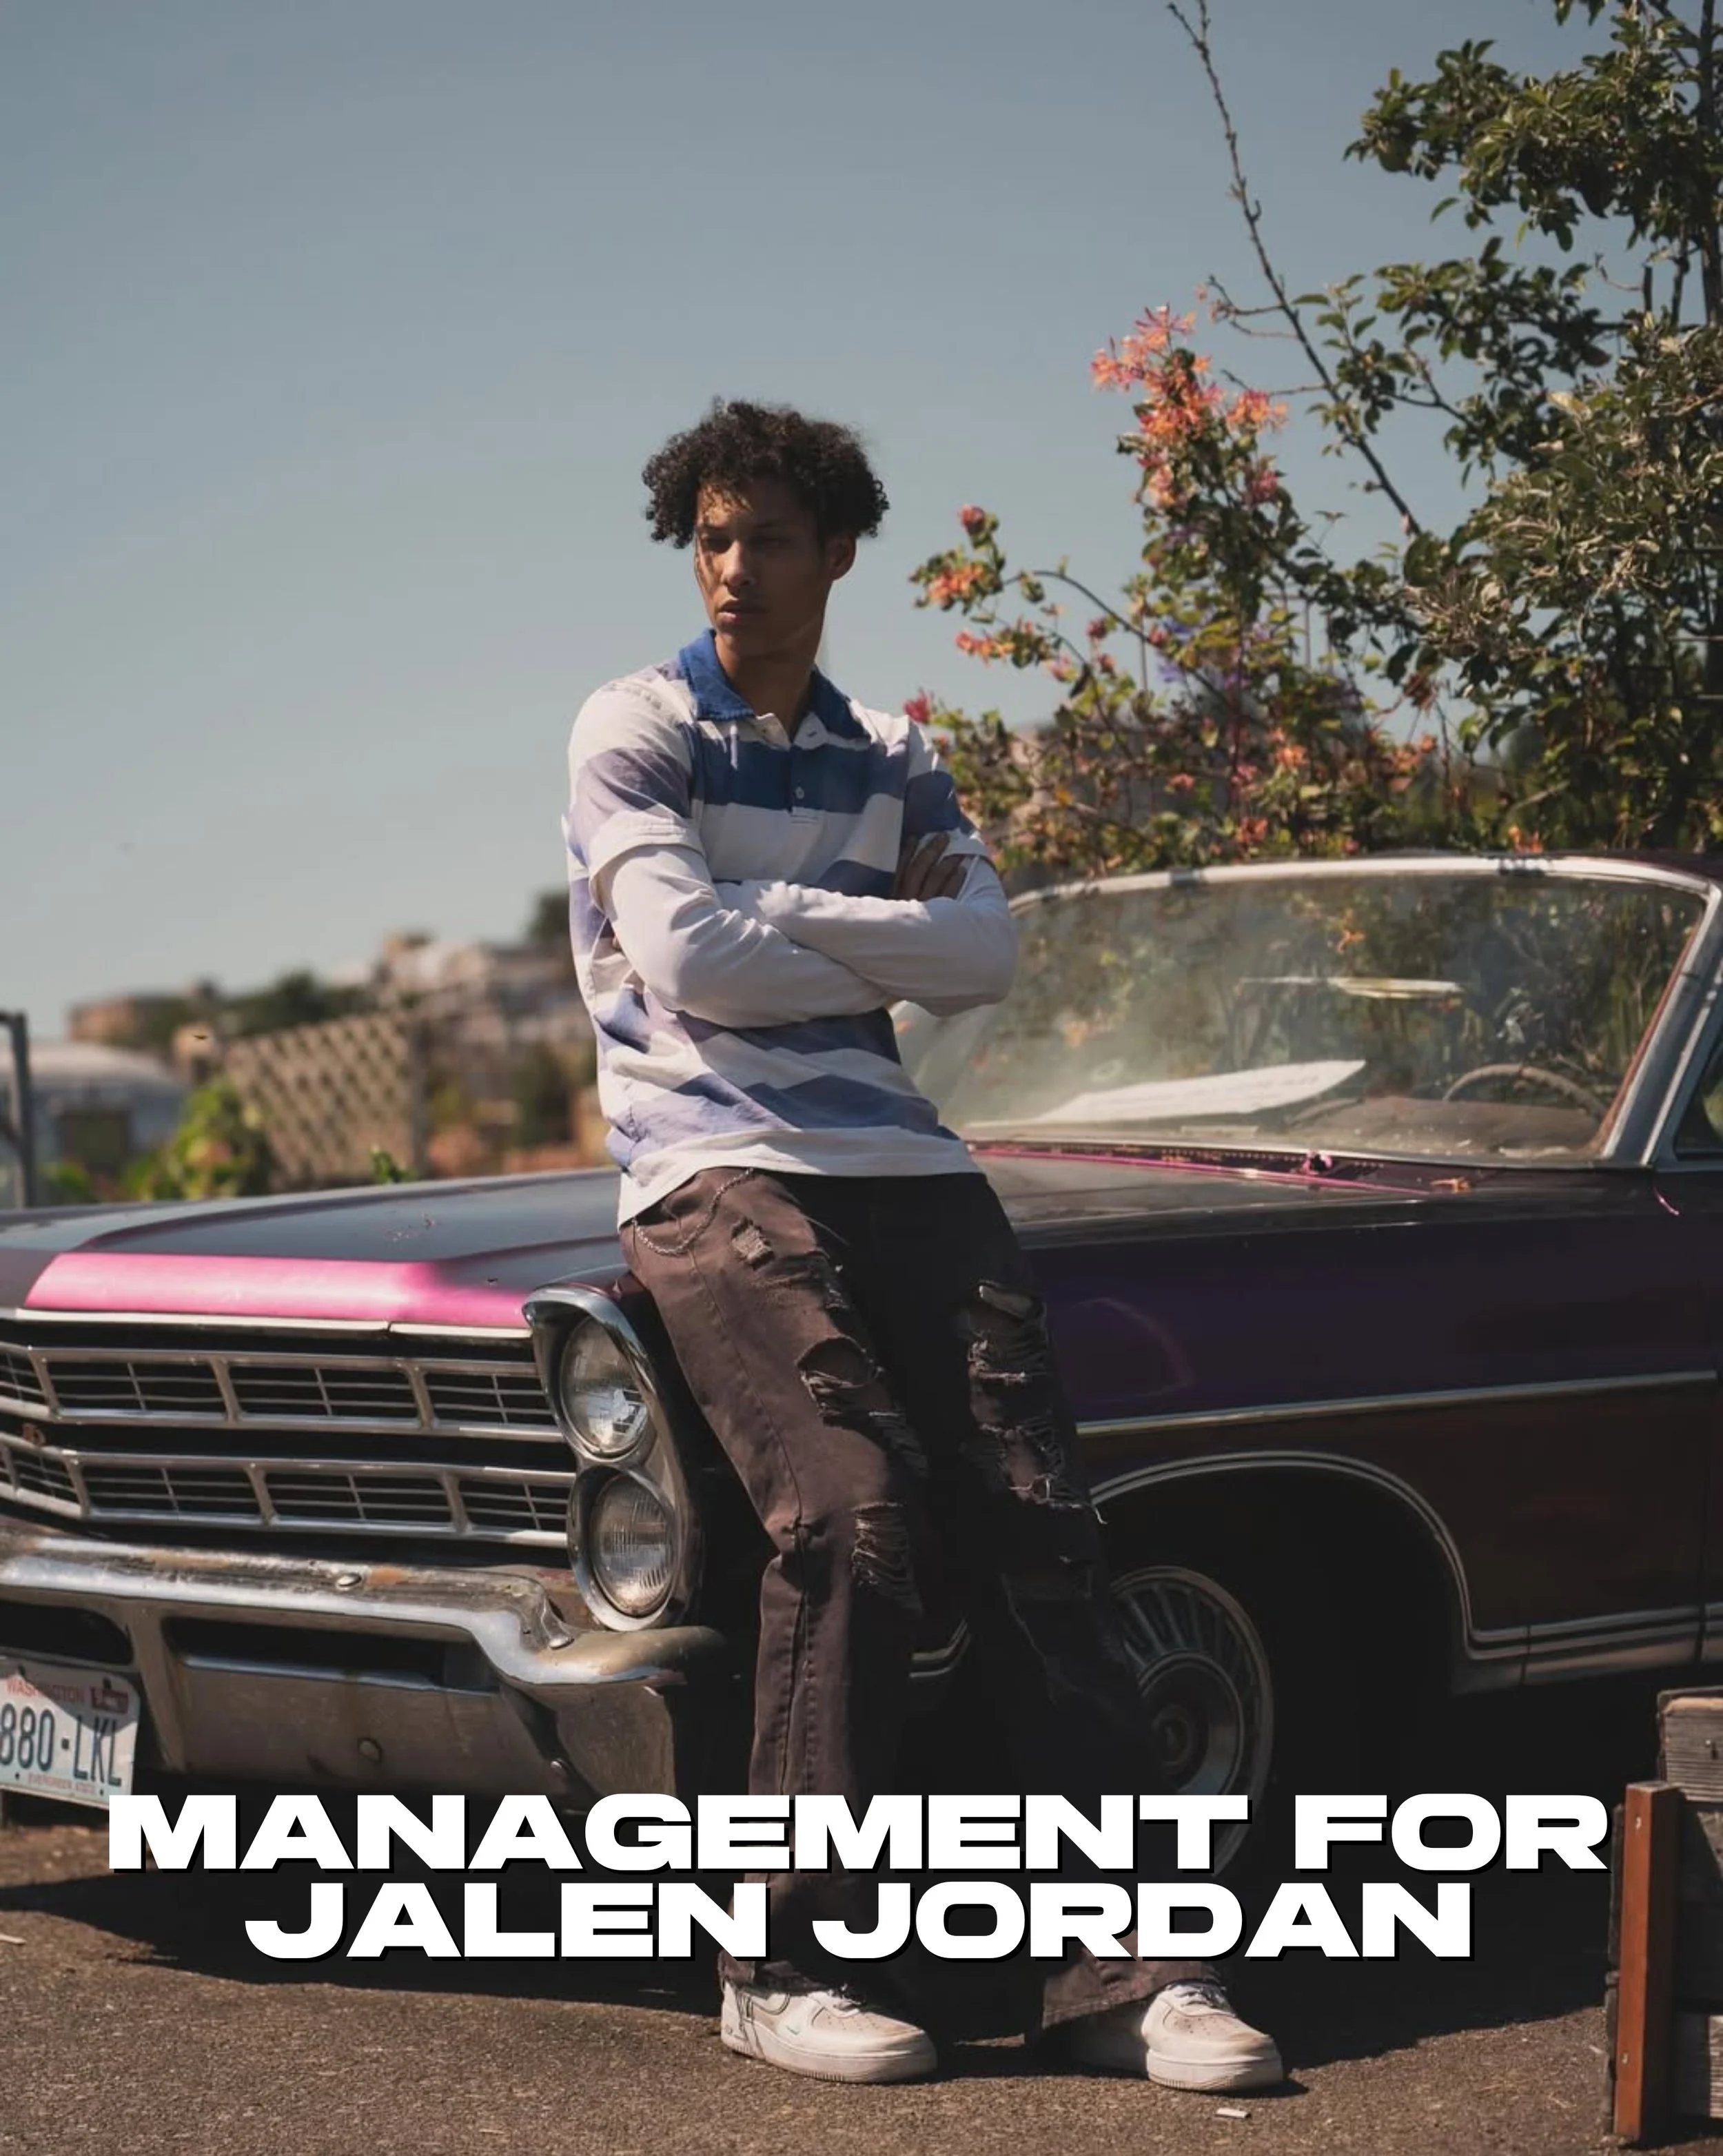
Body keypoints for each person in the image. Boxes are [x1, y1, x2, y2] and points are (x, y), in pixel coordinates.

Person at [563, 398, 1282, 2093]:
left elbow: (986, 956)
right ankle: (782, 1960)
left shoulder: (889, 752)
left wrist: (781, 914)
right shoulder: (635, 724)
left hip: (901, 1156)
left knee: (1039, 1521)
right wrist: (865, 928)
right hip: (709, 1162)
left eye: (769, 538)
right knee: (851, 1514)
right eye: (710, 538)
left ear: (836, 554)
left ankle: (1122, 1974)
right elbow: (688, 960)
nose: (734, 568)